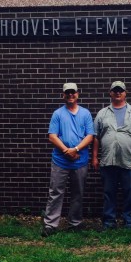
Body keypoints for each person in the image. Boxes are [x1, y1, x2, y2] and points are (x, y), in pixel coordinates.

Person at [41, 82, 94, 236]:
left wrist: (76, 149)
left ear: (78, 94)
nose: (71, 95)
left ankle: (75, 223)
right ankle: (50, 225)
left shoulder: (85, 113)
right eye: (68, 92)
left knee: (78, 192)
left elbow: (90, 136)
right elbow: (52, 136)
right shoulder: (58, 114)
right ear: (63, 95)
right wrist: (66, 150)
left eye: (73, 92)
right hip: (60, 160)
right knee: (56, 192)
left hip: (80, 160)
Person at [92, 81, 131, 228]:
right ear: (110, 93)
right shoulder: (102, 113)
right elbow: (96, 137)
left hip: (129, 161)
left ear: (125, 93)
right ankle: (109, 222)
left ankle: (129, 222)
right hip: (108, 160)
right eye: (115, 90)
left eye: (120, 90)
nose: (117, 93)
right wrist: (94, 157)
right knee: (109, 193)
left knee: (130, 193)